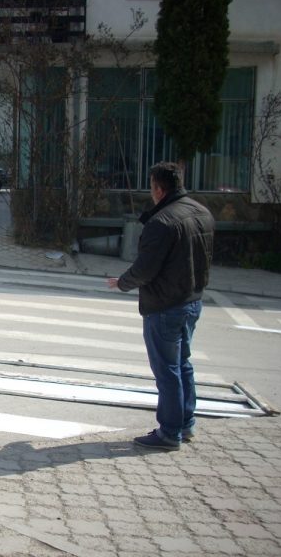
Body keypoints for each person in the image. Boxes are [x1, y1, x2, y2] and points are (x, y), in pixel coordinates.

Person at [107, 161, 214, 451]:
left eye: (151, 186)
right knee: (182, 365)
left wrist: (123, 283)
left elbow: (145, 269)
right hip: (192, 300)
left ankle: (169, 432)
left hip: (165, 305)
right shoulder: (201, 211)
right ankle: (185, 424)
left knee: (168, 371)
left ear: (158, 187)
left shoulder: (162, 222)